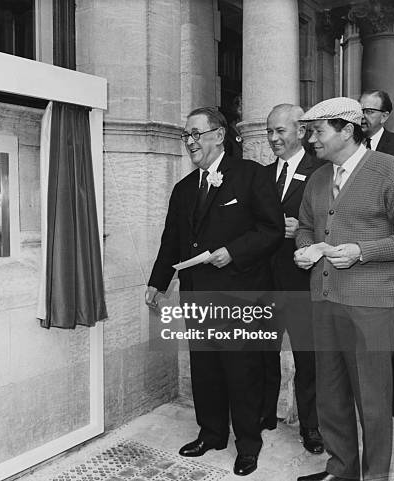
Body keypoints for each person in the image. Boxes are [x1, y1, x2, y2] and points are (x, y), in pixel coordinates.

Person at [146, 107, 283, 476]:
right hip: (196, 295)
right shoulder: (183, 188)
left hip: (239, 294)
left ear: (219, 135)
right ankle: (211, 434)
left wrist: (233, 253)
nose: (190, 142)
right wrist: (157, 282)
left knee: (242, 372)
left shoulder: (251, 176)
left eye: (196, 134)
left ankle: (248, 445)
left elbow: (271, 231)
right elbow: (171, 241)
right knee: (205, 370)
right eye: (185, 136)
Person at [294, 97, 394, 481]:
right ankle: (341, 470)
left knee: (372, 401)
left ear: (347, 131)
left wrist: (363, 252)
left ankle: (375, 477)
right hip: (324, 301)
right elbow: (306, 225)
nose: (310, 140)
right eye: (308, 131)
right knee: (331, 394)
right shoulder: (319, 177)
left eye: (318, 131)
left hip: (372, 306)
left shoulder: (391, 171)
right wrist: (304, 249)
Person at [262, 104, 325, 454]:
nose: (273, 139)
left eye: (280, 131)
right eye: (269, 131)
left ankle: (311, 426)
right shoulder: (263, 175)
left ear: (300, 131)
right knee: (265, 351)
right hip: (268, 281)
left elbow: (333, 226)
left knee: (308, 357)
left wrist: (302, 231)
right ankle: (266, 413)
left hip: (304, 282)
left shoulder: (323, 172)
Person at [359, 89, 394, 418]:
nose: (363, 117)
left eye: (369, 111)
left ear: (385, 116)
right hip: (357, 255)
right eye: (359, 109)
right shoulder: (352, 148)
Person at [359, 89, 394, 157]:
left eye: (369, 111)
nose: (362, 116)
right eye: (359, 111)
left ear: (384, 116)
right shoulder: (348, 142)